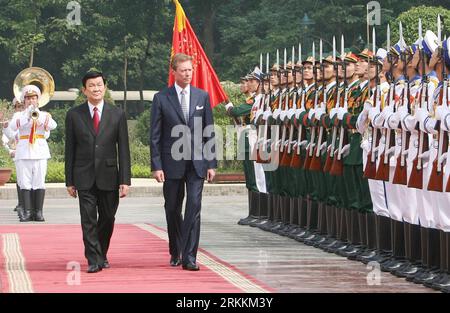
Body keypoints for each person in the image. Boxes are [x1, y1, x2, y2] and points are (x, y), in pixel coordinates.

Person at [150, 53, 217, 271]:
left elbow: (209, 131)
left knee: (194, 207)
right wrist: (156, 165)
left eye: (190, 70)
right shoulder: (161, 98)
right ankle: (175, 249)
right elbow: (155, 135)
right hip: (171, 162)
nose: (188, 74)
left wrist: (211, 163)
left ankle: (190, 256)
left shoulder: (202, 96)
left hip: (197, 162)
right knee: (172, 208)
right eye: (183, 70)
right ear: (174, 72)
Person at [65, 70, 131, 273]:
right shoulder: (74, 115)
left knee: (108, 218)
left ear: (105, 87)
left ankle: (101, 252)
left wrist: (125, 180)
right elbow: (70, 149)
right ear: (84, 90)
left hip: (110, 176)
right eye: (91, 85)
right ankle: (93, 259)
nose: (96, 88)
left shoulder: (117, 114)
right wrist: (69, 180)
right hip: (83, 175)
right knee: (88, 219)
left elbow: (124, 149)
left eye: (99, 84)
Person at [7, 86, 57, 222]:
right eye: (28, 98)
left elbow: (53, 125)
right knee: (25, 182)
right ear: (24, 101)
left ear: (38, 100)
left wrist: (37, 116)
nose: (30, 101)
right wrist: (27, 117)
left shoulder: (44, 115)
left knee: (39, 182)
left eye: (33, 98)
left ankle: (38, 212)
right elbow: (12, 127)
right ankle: (27, 212)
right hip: (23, 151)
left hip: (40, 151)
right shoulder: (18, 115)